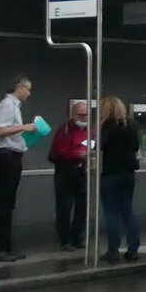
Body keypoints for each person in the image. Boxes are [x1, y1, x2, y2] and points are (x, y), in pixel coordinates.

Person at [0, 76, 37, 263]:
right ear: (19, 87)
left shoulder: (13, 106)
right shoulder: (8, 105)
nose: (29, 93)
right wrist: (24, 127)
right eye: (27, 89)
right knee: (4, 202)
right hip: (6, 155)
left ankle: (5, 246)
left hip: (11, 155)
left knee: (8, 203)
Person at [98, 95, 141, 263]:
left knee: (111, 214)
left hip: (111, 172)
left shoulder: (107, 126)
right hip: (128, 173)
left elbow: (101, 145)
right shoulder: (131, 125)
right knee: (127, 211)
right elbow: (136, 146)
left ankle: (113, 251)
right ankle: (133, 249)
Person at [48, 101, 89, 251]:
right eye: (81, 115)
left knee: (82, 206)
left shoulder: (90, 130)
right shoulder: (64, 130)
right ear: (73, 114)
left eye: (86, 115)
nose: (84, 118)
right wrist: (77, 154)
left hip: (81, 170)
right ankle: (65, 240)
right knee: (64, 206)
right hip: (66, 171)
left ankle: (77, 238)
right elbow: (59, 151)